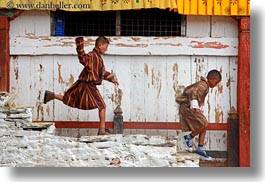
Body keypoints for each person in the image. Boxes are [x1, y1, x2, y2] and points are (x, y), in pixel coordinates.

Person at [43, 36, 119, 135]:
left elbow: (102, 72)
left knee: (73, 100)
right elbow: (82, 57)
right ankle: (102, 130)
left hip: (84, 85)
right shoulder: (92, 56)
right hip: (88, 85)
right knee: (102, 106)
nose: (106, 49)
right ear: (100, 45)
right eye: (106, 46)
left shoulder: (98, 58)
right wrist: (80, 44)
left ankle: (52, 95)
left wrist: (112, 78)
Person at [176, 70, 222, 160]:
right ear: (211, 79)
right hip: (187, 107)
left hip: (189, 107)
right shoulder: (203, 85)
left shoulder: (204, 85)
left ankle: (200, 147)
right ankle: (189, 137)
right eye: (216, 82)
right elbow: (193, 92)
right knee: (204, 123)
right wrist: (195, 106)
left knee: (204, 124)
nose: (216, 85)